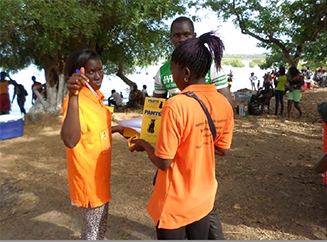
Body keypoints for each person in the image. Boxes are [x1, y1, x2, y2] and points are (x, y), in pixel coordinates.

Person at [130, 32, 234, 240]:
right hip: (204, 197)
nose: (173, 76)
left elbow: (164, 162)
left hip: (175, 202)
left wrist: (142, 143)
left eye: (174, 70)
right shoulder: (224, 104)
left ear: (185, 72)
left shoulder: (176, 105)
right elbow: (221, 149)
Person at [60, 48, 124, 240]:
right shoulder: (76, 101)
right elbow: (70, 140)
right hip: (89, 181)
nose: (98, 76)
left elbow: (94, 132)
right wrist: (73, 96)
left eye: (100, 70)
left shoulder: (96, 96)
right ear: (77, 73)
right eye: (91, 72)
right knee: (92, 234)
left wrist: (117, 129)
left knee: (100, 230)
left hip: (101, 176)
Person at [153, 16, 233, 105]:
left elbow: (227, 104)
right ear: (171, 37)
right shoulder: (162, 72)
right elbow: (155, 110)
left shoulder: (211, 65)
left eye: (186, 34)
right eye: (176, 36)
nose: (181, 39)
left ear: (194, 36)